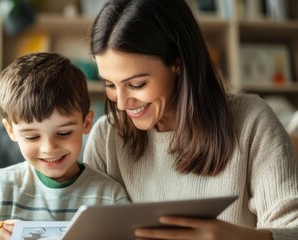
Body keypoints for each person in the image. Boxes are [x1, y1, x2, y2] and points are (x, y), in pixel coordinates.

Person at [83, 0, 298, 239]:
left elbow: (292, 229)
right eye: (109, 84)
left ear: (177, 62)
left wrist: (232, 237)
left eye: (136, 84)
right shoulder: (106, 137)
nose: (121, 103)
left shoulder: (251, 122)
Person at [0, 52, 130, 240]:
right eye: (32, 137)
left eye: (63, 133)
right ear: (11, 131)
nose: (49, 148)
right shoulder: (0, 187)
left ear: (86, 123)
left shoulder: (109, 196)